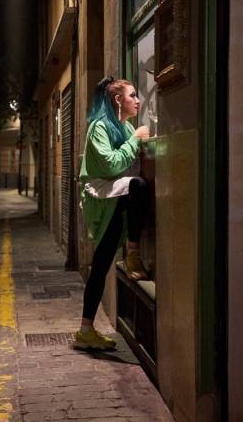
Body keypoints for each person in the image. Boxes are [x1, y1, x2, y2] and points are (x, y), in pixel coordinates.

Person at [73, 76, 150, 350]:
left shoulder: (123, 125)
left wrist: (137, 138)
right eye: (132, 95)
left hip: (116, 197)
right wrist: (137, 140)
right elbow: (113, 164)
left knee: (102, 262)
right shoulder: (99, 127)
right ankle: (132, 252)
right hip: (102, 198)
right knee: (102, 262)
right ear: (118, 100)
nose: (137, 100)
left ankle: (85, 330)